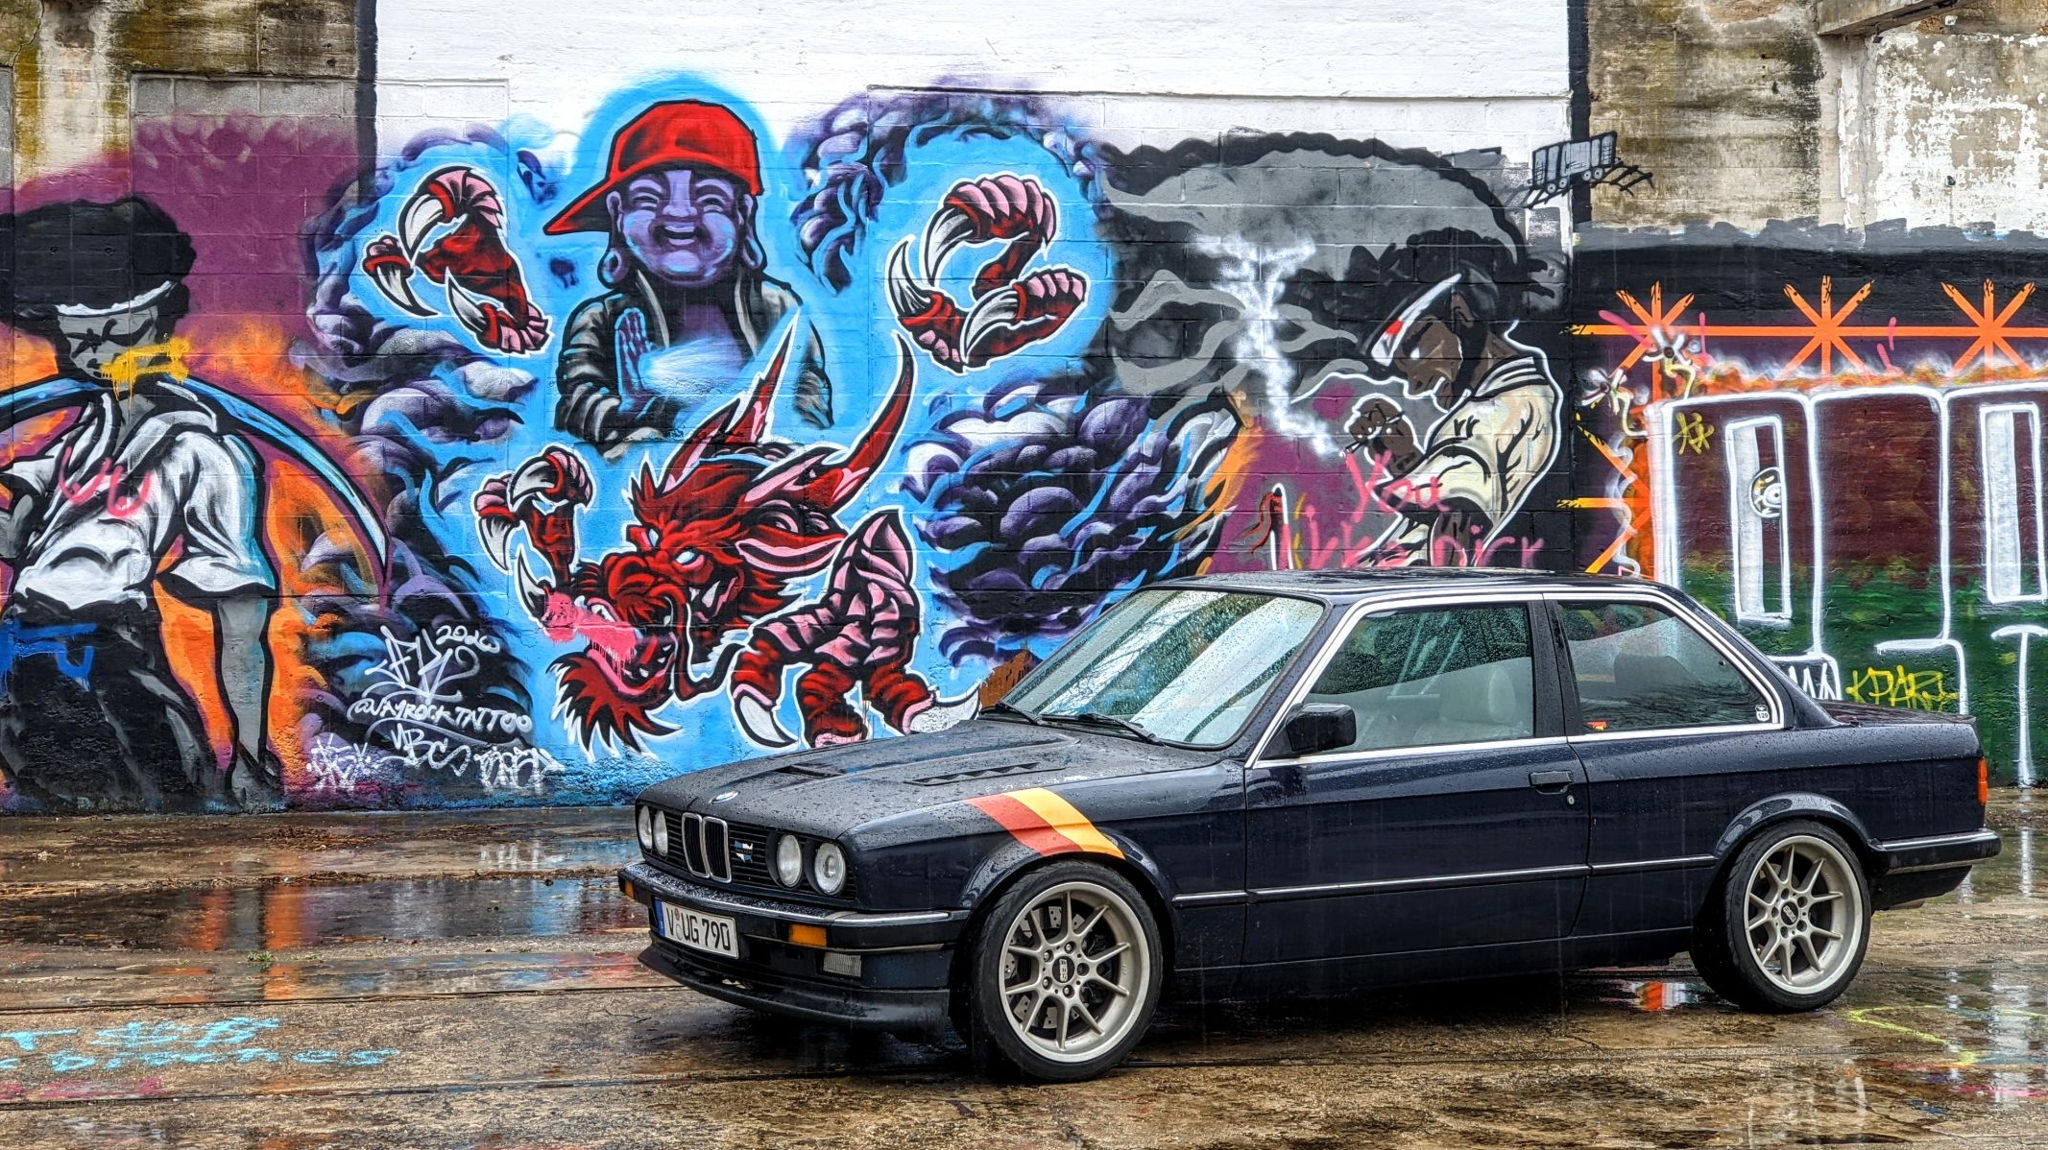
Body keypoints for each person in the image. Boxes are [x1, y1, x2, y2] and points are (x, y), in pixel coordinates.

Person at [0, 199, 316, 809]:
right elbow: (19, 543)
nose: (96, 356)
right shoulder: (83, 436)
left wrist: (251, 752)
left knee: (172, 793)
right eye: (79, 340)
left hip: (109, 653)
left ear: (163, 321)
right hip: (22, 652)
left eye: (118, 334)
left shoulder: (205, 450)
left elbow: (242, 622)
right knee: (101, 808)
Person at [546, 100, 830, 454]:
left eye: (709, 198)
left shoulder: (777, 309)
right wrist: (630, 410)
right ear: (618, 213)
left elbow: (809, 409)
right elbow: (577, 405)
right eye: (648, 198)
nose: (679, 213)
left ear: (741, 215)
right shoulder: (600, 320)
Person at [1344, 230, 1563, 563]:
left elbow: (1456, 526)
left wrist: (1402, 456)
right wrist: (1403, 457)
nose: (1414, 385)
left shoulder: (1507, 409)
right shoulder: (1498, 402)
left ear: (1460, 312)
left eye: (1410, 349)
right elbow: (1449, 505)